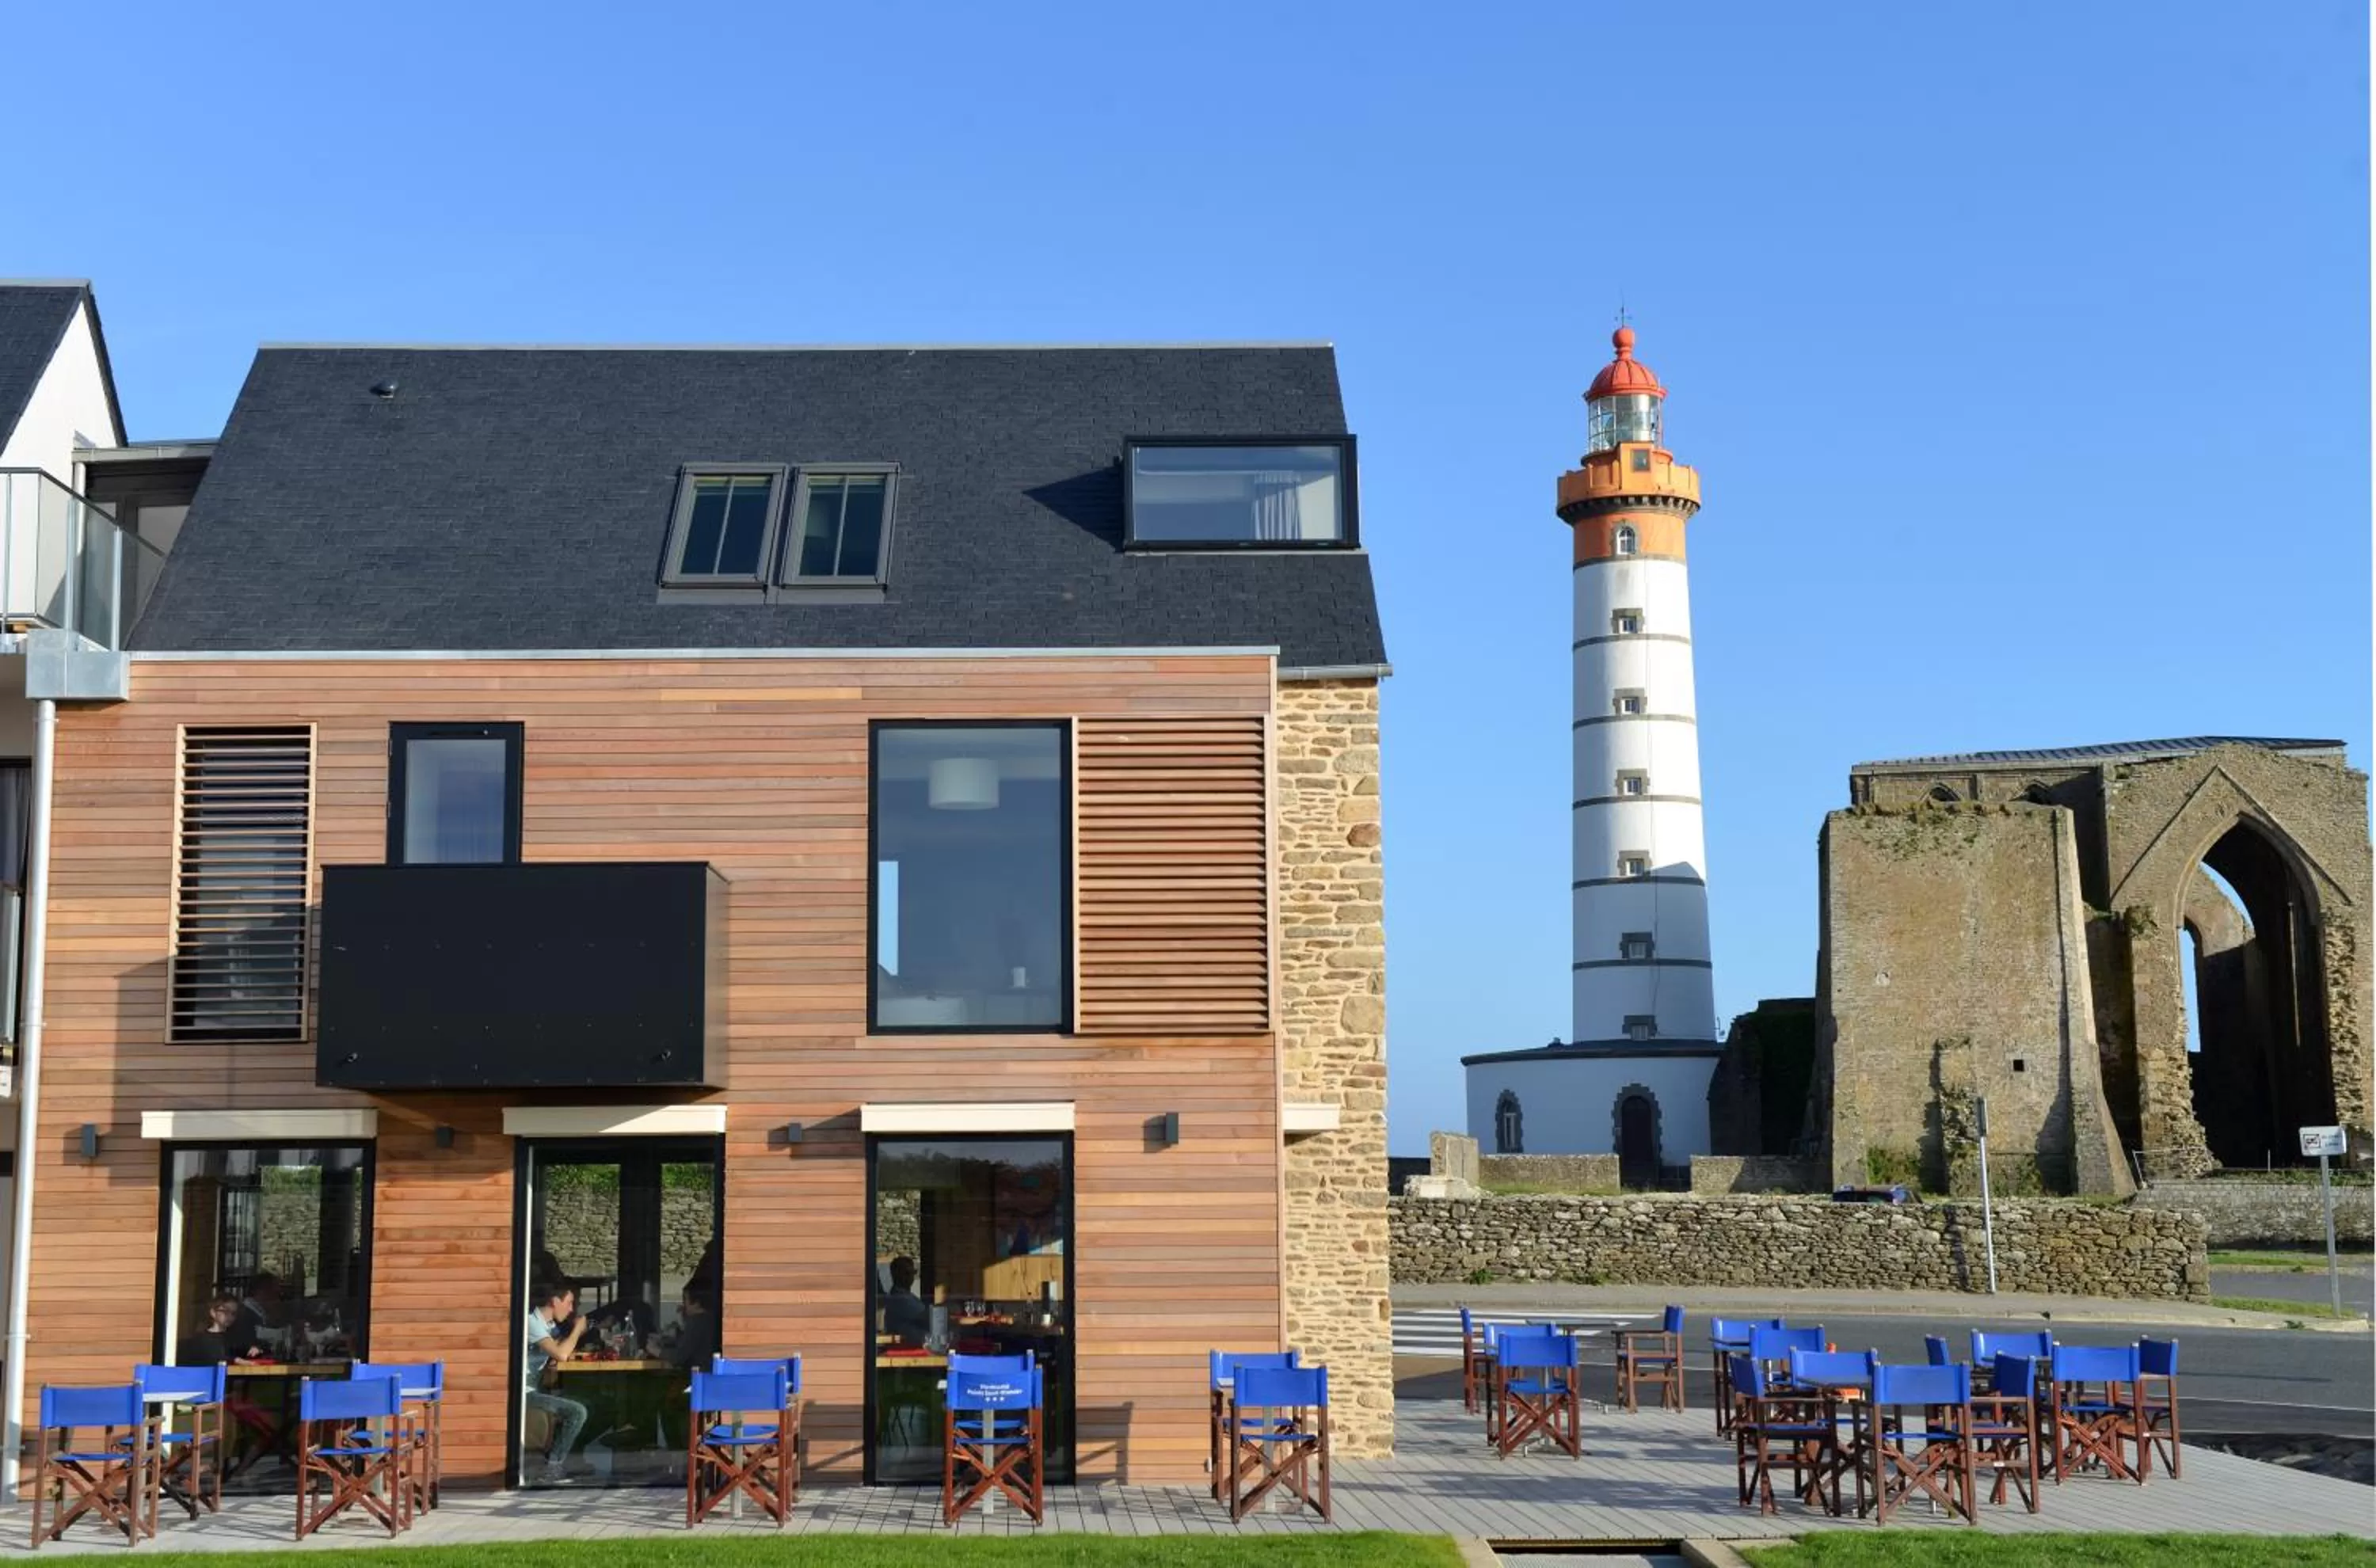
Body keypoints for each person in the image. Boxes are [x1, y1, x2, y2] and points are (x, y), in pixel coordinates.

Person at [523, 1282, 592, 1484]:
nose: (572, 1309)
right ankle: (552, 1467)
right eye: (569, 1303)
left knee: (589, 1404)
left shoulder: (549, 1326)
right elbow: (561, 1354)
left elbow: (555, 1351)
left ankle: (569, 1458)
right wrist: (578, 1330)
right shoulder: (531, 1323)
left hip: (536, 1388)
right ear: (554, 1301)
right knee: (577, 1411)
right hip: (524, 1392)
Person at [659, 1285, 720, 1370]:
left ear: (696, 1304)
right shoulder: (710, 1319)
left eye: (685, 1300)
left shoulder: (696, 1322)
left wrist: (656, 1350)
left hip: (698, 1373)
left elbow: (679, 1356)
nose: (683, 1305)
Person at [881, 1257, 930, 1348]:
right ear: (895, 1275)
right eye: (906, 1273)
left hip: (915, 1347)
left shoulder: (907, 1296)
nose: (911, 1277)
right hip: (905, 1350)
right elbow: (928, 1318)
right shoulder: (900, 1299)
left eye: (913, 1273)